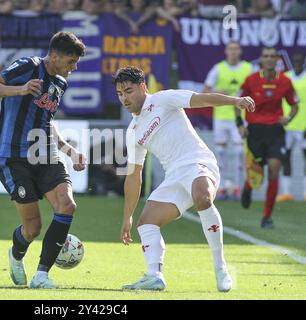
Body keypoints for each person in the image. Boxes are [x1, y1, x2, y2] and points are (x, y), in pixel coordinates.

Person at [114, 66, 255, 291]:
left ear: (143, 87)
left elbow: (200, 99)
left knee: (202, 197)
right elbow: (133, 175)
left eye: (129, 91)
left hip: (199, 162)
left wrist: (235, 101)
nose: (125, 98)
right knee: (146, 223)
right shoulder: (133, 131)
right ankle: (154, 276)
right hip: (175, 177)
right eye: (120, 94)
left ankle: (220, 268)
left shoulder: (163, 99)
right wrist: (127, 217)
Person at [0, 31, 87, 289]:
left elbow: (46, 122)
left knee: (67, 204)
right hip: (13, 157)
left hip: (45, 153)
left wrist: (69, 151)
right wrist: (21, 89)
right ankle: (16, 255)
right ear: (54, 56)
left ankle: (42, 275)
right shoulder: (29, 66)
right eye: (71, 61)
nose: (74, 68)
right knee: (32, 228)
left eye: (76, 63)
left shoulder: (60, 83)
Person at [237, 47, 299, 229]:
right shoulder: (251, 80)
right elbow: (237, 103)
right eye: (266, 56)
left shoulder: (285, 81)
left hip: (275, 132)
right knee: (258, 173)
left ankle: (266, 217)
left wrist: (289, 118)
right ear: (261, 60)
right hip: (255, 131)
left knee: (274, 168)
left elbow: (295, 105)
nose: (269, 59)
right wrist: (240, 125)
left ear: (277, 60)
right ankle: (248, 187)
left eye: (273, 56)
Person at [203, 42, 253, 200]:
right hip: (221, 116)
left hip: (240, 117)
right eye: (230, 49)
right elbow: (205, 91)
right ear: (226, 51)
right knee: (221, 152)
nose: (233, 52)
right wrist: (218, 92)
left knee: (240, 151)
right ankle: (222, 187)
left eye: (236, 49)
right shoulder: (218, 68)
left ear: (240, 51)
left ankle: (237, 187)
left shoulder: (248, 68)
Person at [277, 53, 306, 202]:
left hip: (304, 125)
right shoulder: (286, 77)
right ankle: (286, 192)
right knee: (286, 158)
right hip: (288, 124)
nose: (298, 62)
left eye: (300, 60)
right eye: (296, 60)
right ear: (293, 62)